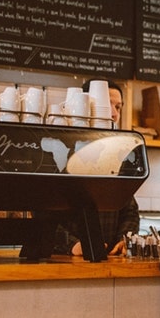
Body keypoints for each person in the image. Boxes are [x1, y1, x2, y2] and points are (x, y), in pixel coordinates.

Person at [53, 78, 139, 256]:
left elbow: (129, 211)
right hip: (63, 261)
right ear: (85, 106)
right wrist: (73, 245)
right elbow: (43, 214)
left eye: (118, 107)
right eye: (107, 105)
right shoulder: (60, 152)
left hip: (107, 259)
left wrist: (124, 239)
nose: (114, 114)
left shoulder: (117, 155)